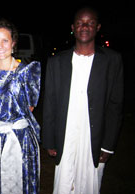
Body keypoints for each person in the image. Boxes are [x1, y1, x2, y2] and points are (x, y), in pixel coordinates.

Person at [42, 6, 124, 194]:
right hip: (66, 134)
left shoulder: (112, 60)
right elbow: (50, 103)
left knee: (90, 184)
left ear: (98, 27)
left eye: (90, 23)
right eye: (80, 23)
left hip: (94, 136)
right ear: (73, 27)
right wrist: (50, 139)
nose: (84, 26)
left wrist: (108, 145)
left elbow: (115, 105)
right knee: (63, 183)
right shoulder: (57, 62)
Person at [0, 18, 41, 194]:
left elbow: (29, 107)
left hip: (19, 141)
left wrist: (10, 128)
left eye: (5, 40)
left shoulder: (26, 72)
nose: (0, 45)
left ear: (13, 43)